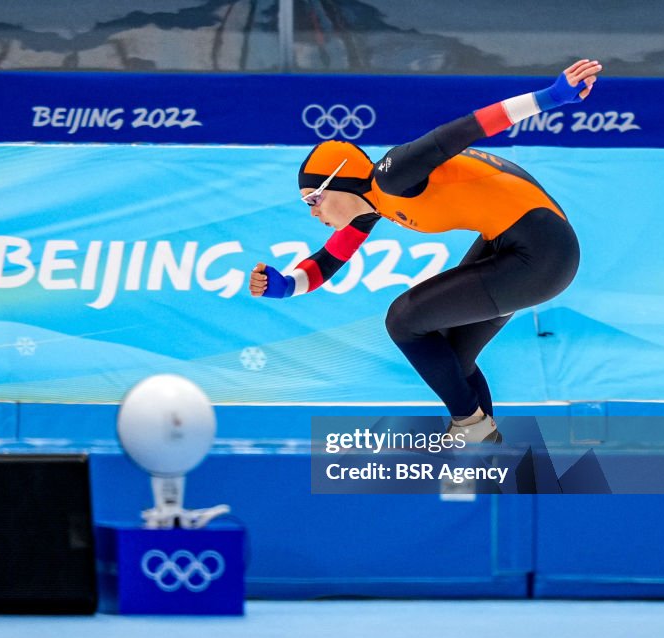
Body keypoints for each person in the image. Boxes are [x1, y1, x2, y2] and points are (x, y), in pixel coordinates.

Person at [249, 60, 602, 442]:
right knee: (451, 357)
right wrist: (284, 285)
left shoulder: (393, 174)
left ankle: (470, 426)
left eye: (314, 199)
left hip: (542, 253)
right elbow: (328, 260)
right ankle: (483, 450)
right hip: (519, 244)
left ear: (340, 182)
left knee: (404, 320)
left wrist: (550, 98)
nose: (314, 212)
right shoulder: (373, 206)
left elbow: (468, 127)